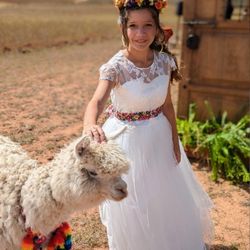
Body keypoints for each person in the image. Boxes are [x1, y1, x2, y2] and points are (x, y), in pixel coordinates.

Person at [82, 0, 214, 249]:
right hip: (126, 142)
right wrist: (90, 124)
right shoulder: (116, 67)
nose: (140, 34)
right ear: (124, 27)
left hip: (159, 137)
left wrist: (175, 142)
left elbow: (166, 106)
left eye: (147, 26)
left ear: (156, 28)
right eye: (133, 26)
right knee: (133, 201)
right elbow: (96, 101)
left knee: (163, 197)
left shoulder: (164, 62)